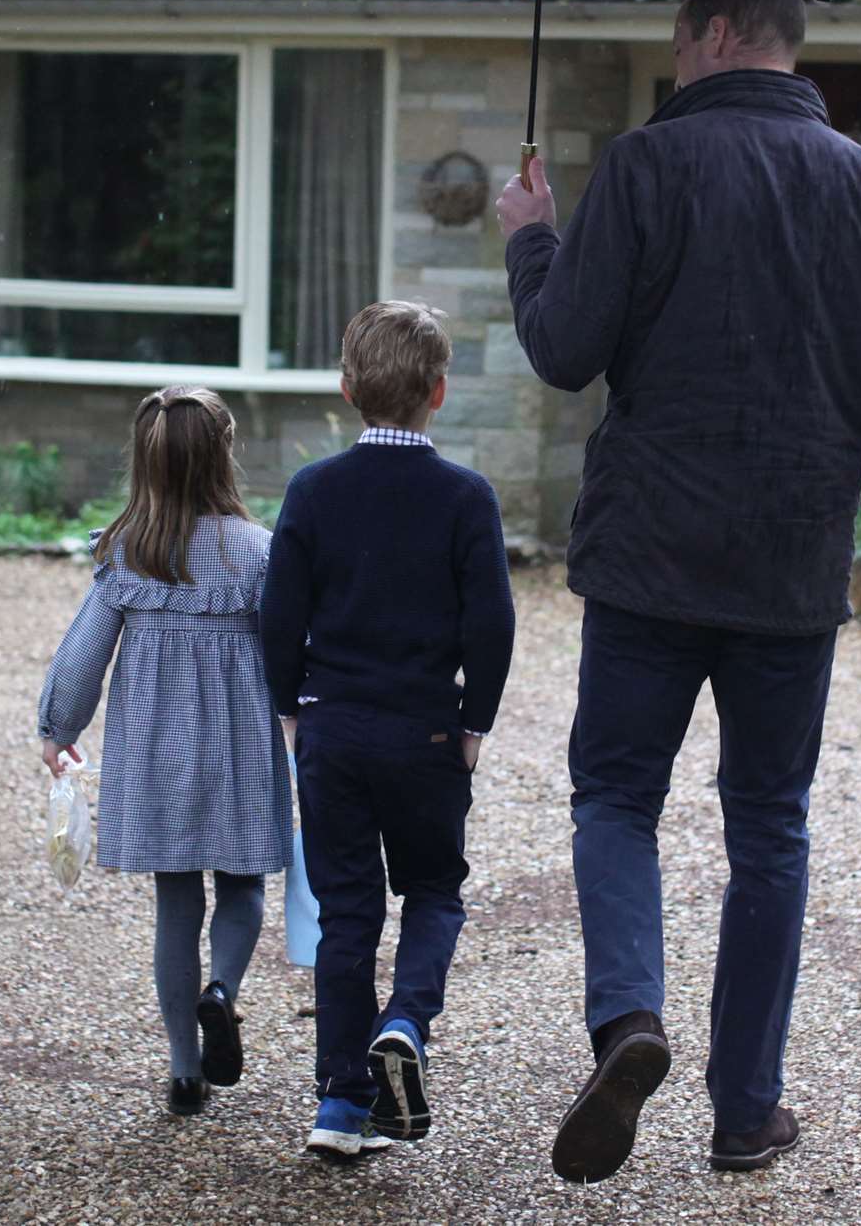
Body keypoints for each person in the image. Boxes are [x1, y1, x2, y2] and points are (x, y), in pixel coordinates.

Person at [495, 0, 861, 1183]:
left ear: (712, 35)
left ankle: (630, 1019)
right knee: (769, 830)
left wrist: (532, 239)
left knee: (613, 797)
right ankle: (746, 1112)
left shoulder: (648, 166)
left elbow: (562, 350)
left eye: (678, 44)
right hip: (790, 568)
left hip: (649, 555)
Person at [261, 301, 515, 1162]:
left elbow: (279, 616)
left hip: (332, 729)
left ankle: (340, 1104)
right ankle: (406, 1018)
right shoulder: (464, 498)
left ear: (346, 390)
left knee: (347, 912)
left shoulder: (313, 491)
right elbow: (493, 624)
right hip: (426, 736)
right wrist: (474, 720)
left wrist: (291, 709)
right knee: (435, 889)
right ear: (439, 392)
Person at [38, 387, 293, 1116]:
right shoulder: (258, 551)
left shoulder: (127, 553)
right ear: (224, 454)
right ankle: (224, 992)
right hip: (240, 744)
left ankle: (185, 1071)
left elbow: (85, 653)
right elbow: (288, 652)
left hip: (155, 748)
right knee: (243, 885)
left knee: (175, 903)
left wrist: (60, 729)